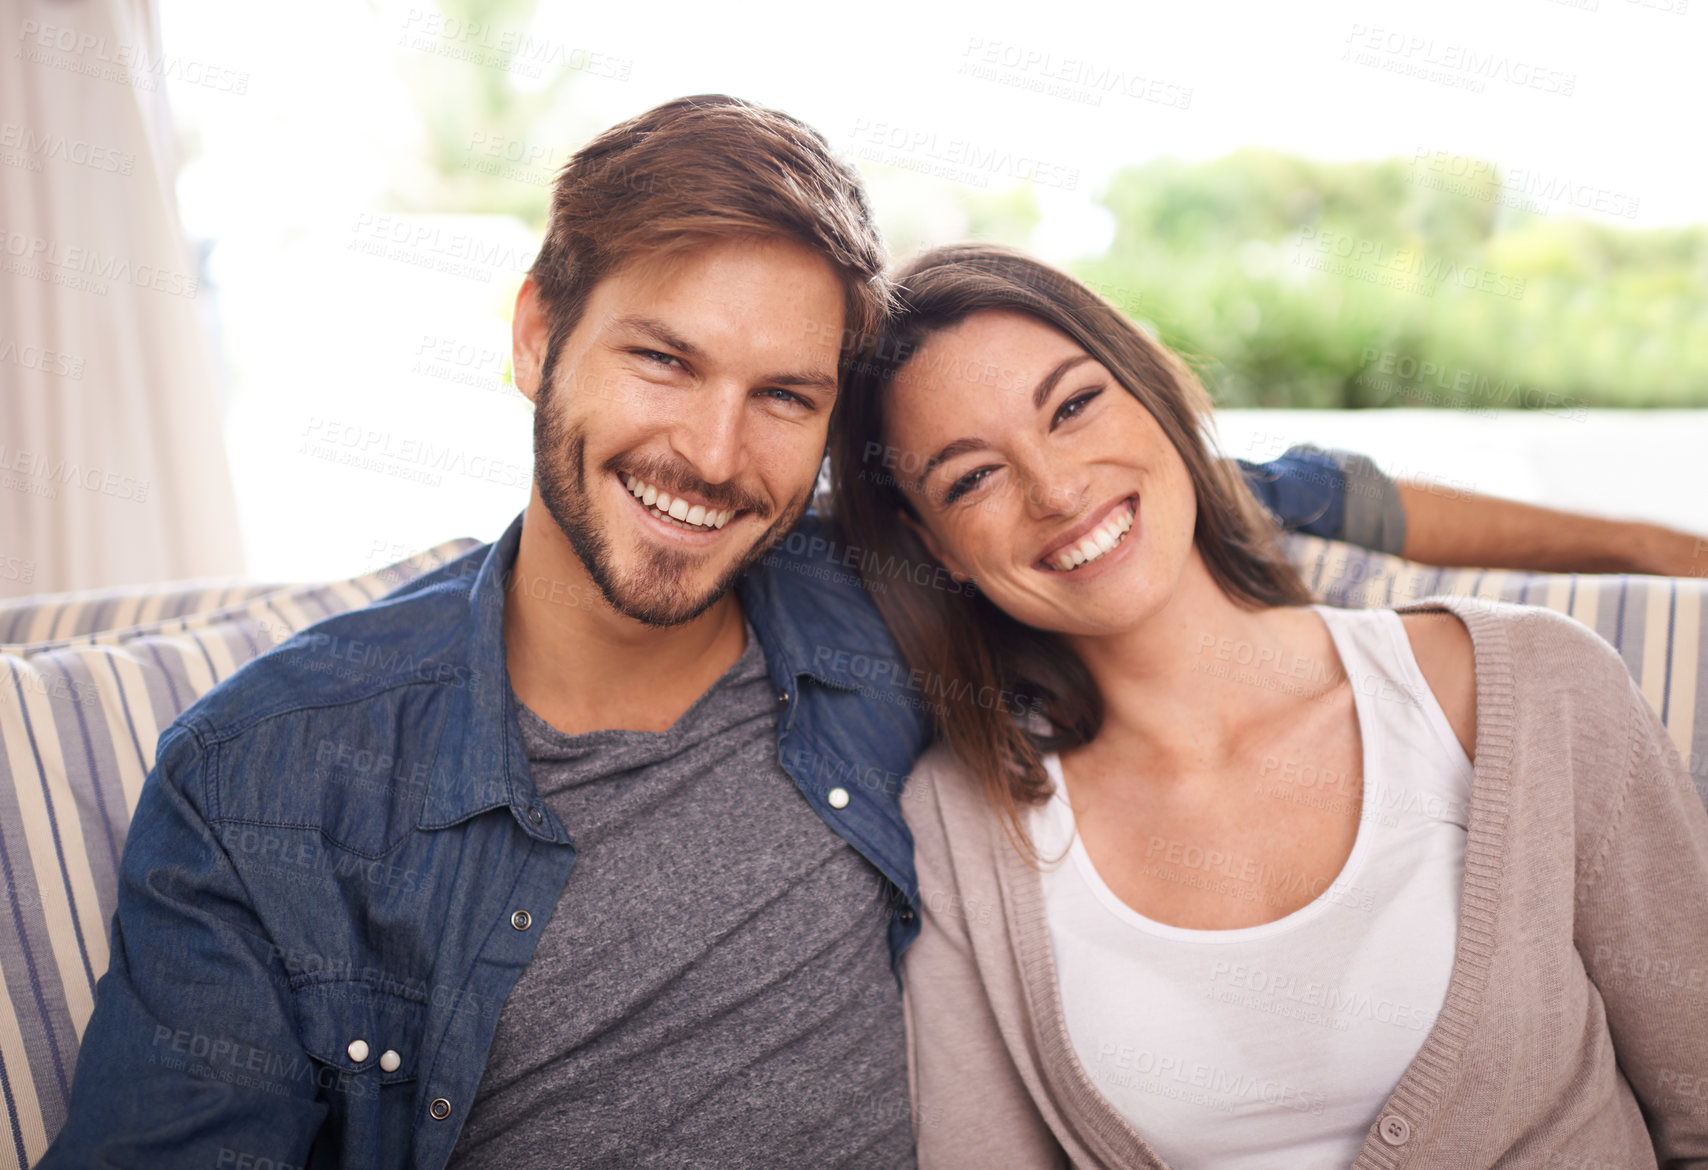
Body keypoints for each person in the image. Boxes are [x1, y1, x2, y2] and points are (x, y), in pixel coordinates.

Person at [40, 96, 1705, 1169]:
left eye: (784, 397)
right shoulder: (275, 777)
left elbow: (1241, 487)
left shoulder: (892, 593)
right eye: (661, 362)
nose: (711, 454)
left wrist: (1648, 544)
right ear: (536, 330)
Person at [831, 242, 1708, 1169]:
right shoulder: (958, 828)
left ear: (1155, 400)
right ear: (936, 548)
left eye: (1075, 406)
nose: (1055, 490)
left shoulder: (1535, 689)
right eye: (972, 478)